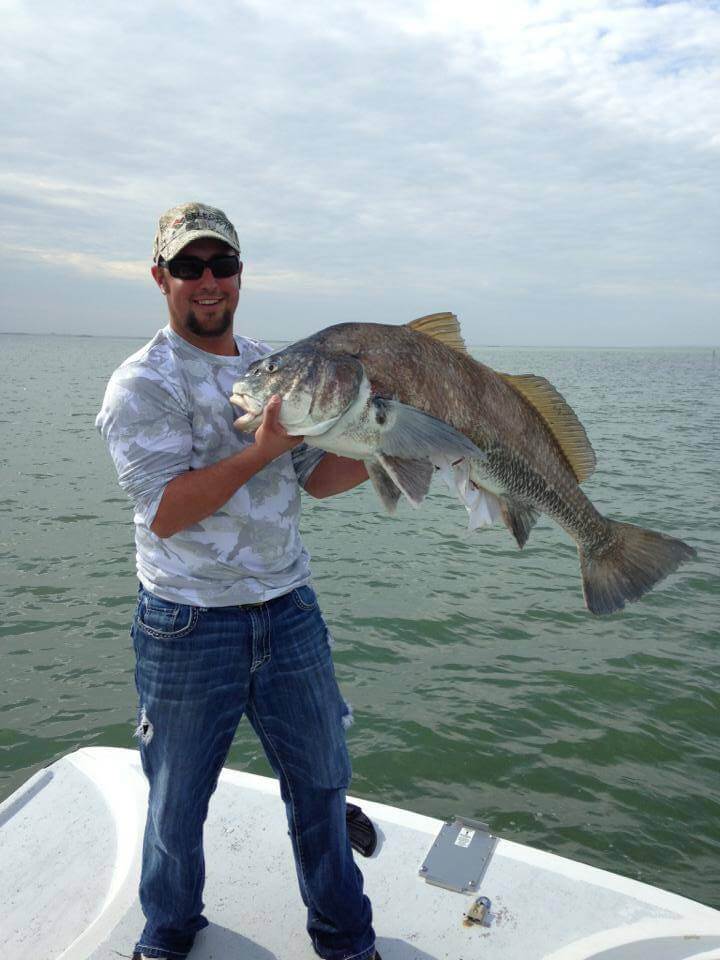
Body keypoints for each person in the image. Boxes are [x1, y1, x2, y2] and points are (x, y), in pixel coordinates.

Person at [96, 202, 380, 960]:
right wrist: (263, 448)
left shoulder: (278, 368)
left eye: (220, 264)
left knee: (322, 786)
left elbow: (316, 478)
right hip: (188, 624)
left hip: (288, 611)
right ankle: (169, 929)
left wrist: (399, 444)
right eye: (188, 267)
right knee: (177, 804)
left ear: (240, 275)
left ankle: (346, 936)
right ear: (161, 277)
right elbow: (165, 510)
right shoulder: (140, 384)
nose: (207, 280)